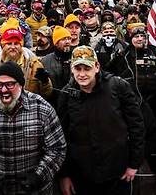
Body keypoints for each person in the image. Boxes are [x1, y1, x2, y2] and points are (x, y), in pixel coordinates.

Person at [0, 61, 67, 195]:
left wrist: (39, 175)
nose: (3, 90)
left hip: (37, 190)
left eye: (10, 84)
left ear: (21, 85)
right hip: (0, 191)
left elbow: (57, 148)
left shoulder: (42, 109)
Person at [57, 46, 144, 195]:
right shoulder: (66, 94)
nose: (82, 74)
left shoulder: (118, 87)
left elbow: (137, 127)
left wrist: (134, 164)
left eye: (87, 68)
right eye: (78, 69)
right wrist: (64, 175)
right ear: (72, 69)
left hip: (117, 172)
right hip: (83, 175)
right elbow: (61, 137)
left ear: (96, 67)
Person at [107, 23, 156, 192]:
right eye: (136, 36)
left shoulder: (155, 53)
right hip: (131, 106)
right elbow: (108, 72)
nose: (139, 39)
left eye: (142, 36)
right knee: (132, 139)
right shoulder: (123, 55)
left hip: (154, 104)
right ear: (130, 38)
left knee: (155, 143)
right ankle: (128, 173)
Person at [0, 29, 52, 103]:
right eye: (9, 43)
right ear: (3, 45)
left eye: (16, 43)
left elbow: (47, 94)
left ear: (21, 45)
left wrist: (45, 82)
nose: (13, 47)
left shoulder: (34, 66)